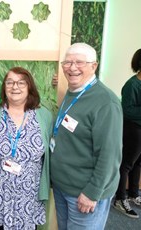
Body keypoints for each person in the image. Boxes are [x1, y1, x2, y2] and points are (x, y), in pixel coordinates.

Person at [50, 42, 123, 230]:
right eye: (67, 62)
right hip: (63, 186)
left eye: (79, 62)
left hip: (85, 193)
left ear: (94, 66)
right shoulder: (73, 92)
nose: (72, 68)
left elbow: (109, 155)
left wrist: (92, 192)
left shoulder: (106, 103)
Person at [0, 67, 53, 229]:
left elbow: (49, 150)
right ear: (4, 87)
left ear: (30, 87)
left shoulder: (44, 115)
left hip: (31, 192)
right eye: (10, 82)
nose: (15, 87)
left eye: (21, 82)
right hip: (2, 191)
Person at [113, 48, 141, 218]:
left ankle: (133, 194)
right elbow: (127, 110)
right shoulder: (132, 85)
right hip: (133, 129)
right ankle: (119, 199)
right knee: (126, 164)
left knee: (138, 164)